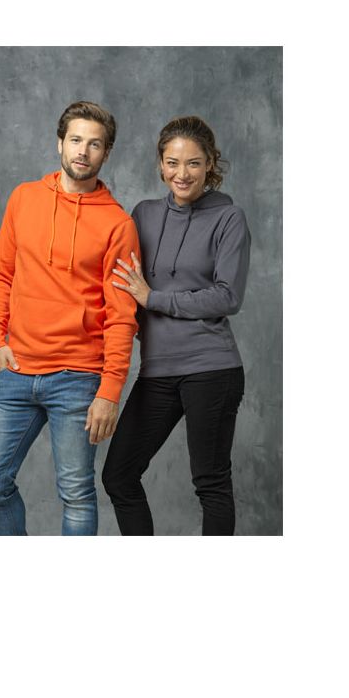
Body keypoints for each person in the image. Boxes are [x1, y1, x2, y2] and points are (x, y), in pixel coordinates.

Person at [0, 101, 140, 535]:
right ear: (60, 143)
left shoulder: (118, 224)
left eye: (95, 144)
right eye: (76, 140)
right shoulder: (24, 198)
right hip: (17, 370)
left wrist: (110, 390)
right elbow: (0, 271)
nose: (83, 150)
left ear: (106, 153)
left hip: (78, 377)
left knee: (77, 494)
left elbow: (122, 315)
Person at [102, 115, 250, 535]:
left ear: (209, 164)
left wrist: (154, 298)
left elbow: (227, 296)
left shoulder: (229, 218)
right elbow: (121, 285)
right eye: (172, 163)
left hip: (211, 367)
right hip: (158, 371)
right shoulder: (144, 215)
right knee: (118, 475)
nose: (181, 174)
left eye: (193, 163)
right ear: (160, 164)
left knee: (211, 482)